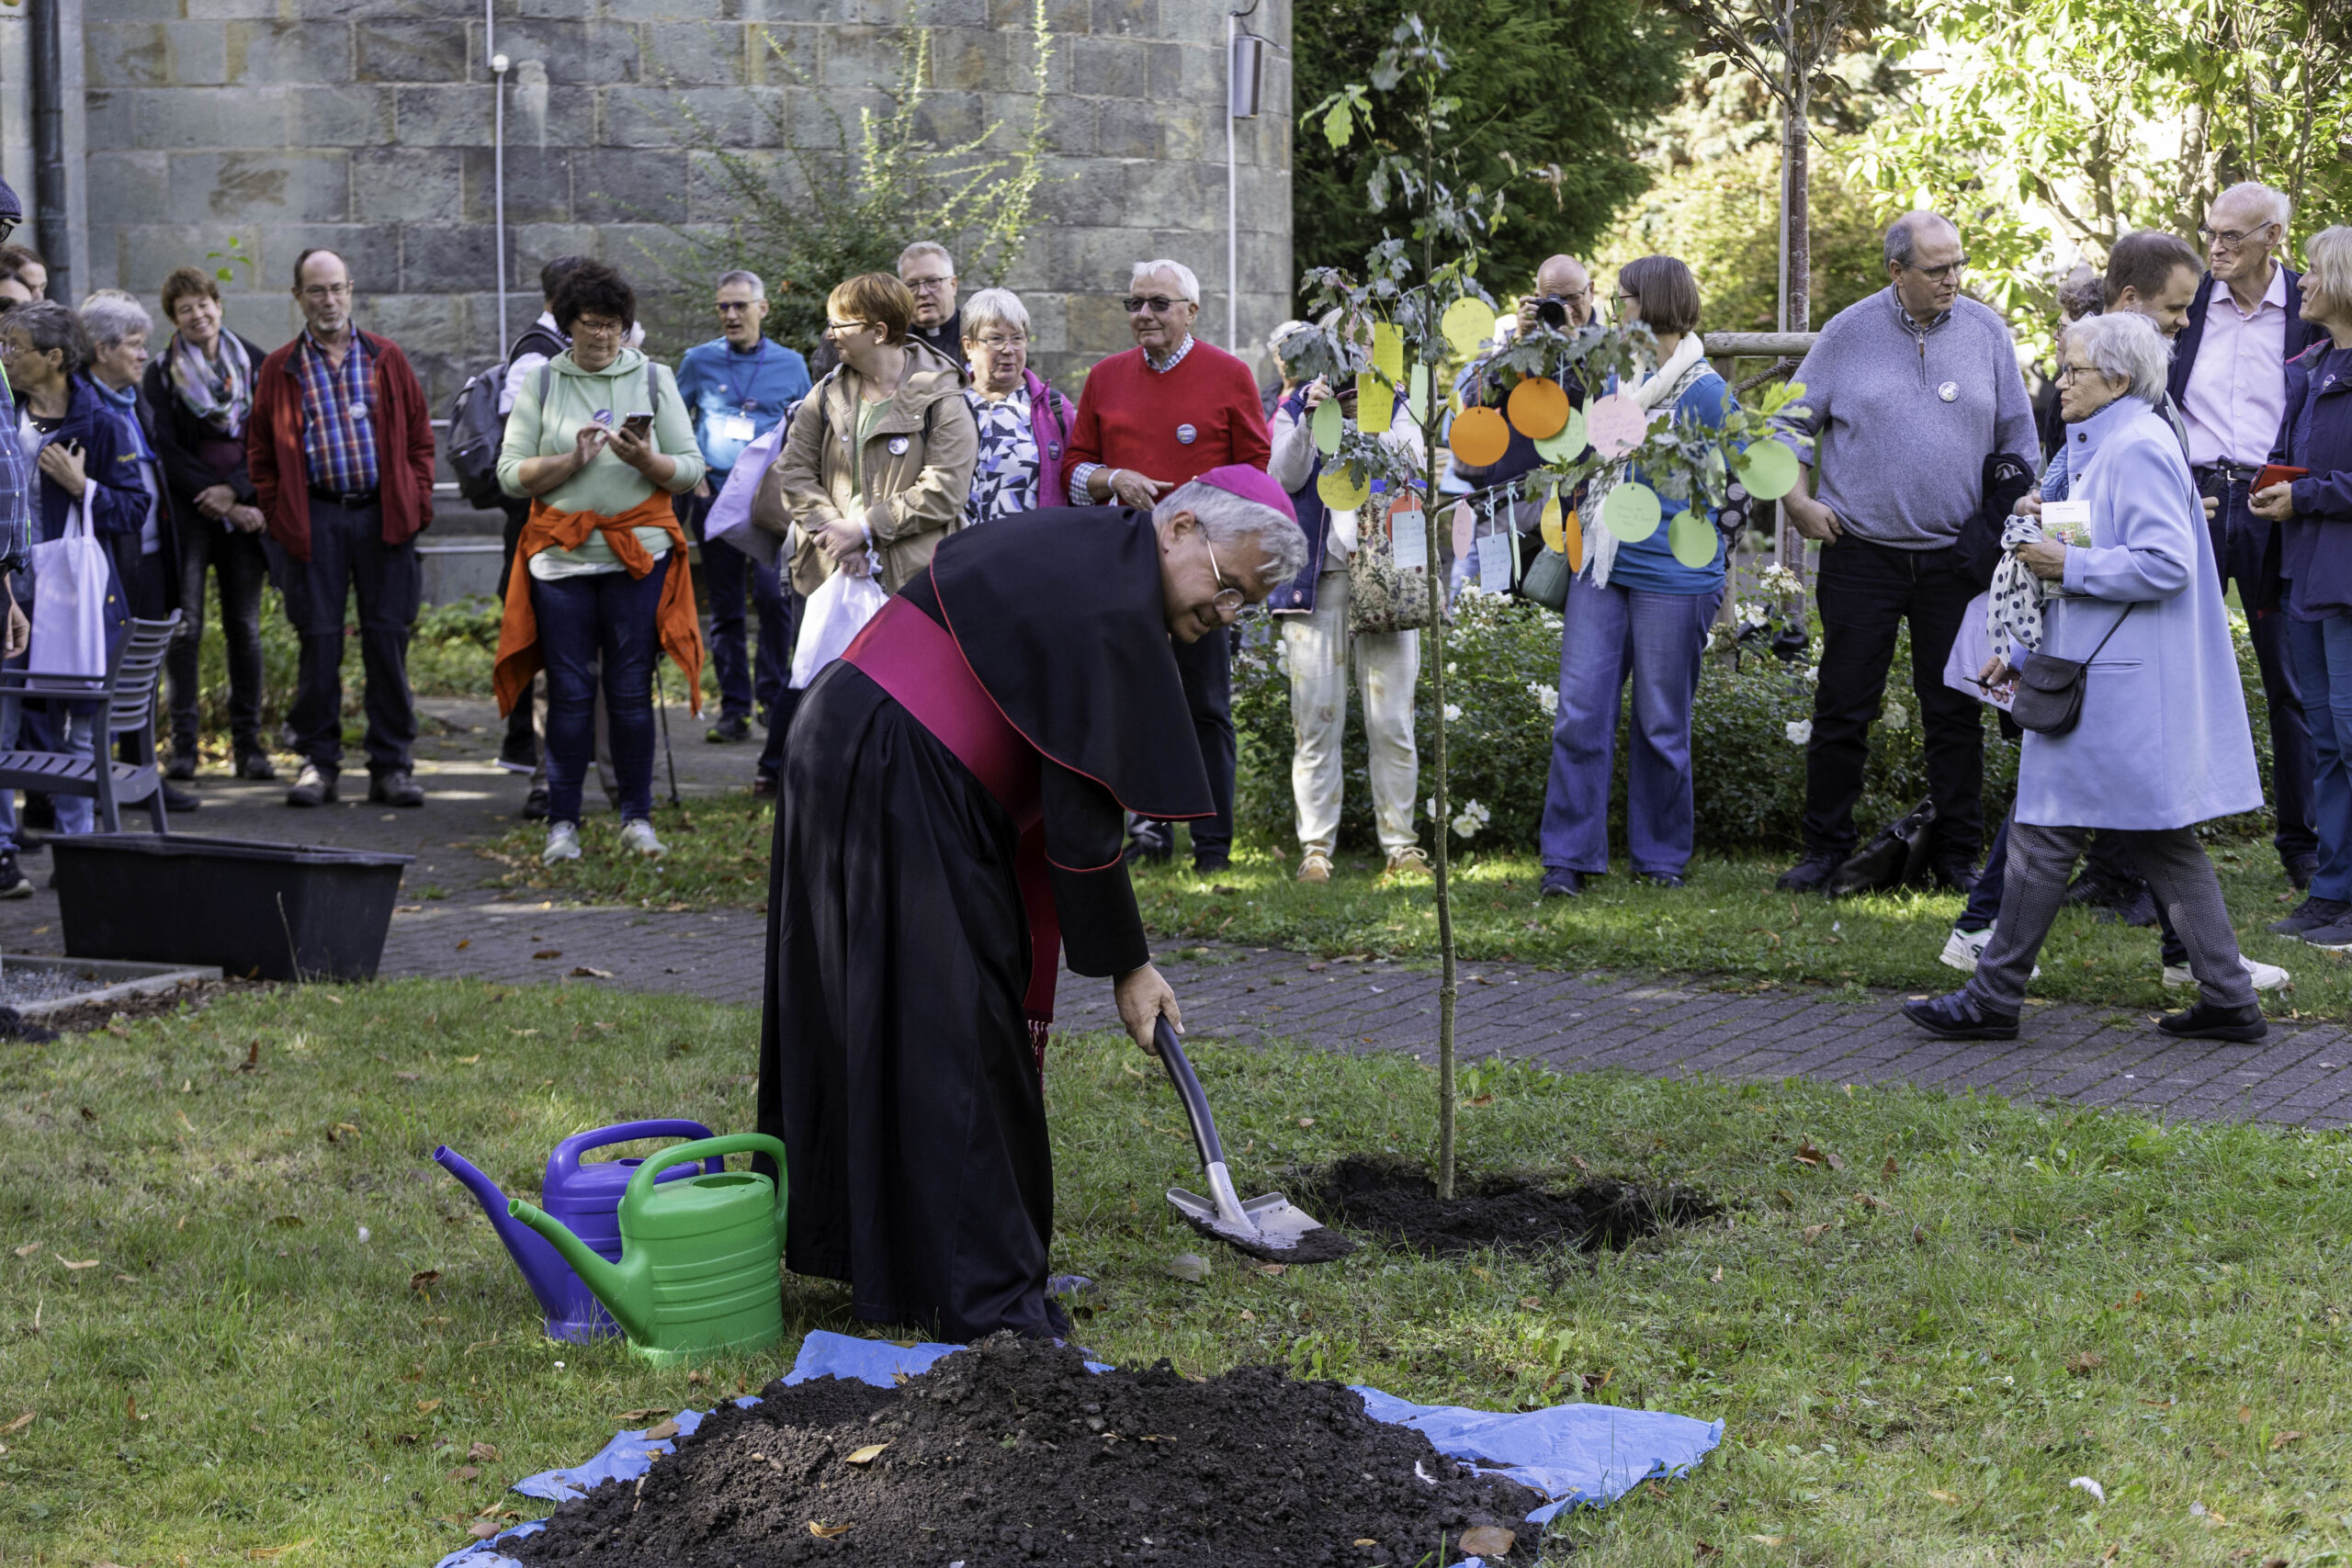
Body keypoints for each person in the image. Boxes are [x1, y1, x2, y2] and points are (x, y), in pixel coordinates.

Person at [757, 471, 1308, 1342]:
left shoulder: (1107, 564)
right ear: (1183, 528)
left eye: (1247, 603)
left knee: (918, 1019)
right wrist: (1129, 965)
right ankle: (985, 1295)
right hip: (894, 763)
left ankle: (922, 1264)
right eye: (1230, 586)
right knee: (958, 1033)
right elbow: (1085, 806)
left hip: (871, 751)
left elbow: (1069, 779)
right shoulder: (1108, 596)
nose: (1229, 613)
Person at [1939, 231, 2288, 995]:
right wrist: (2026, 647)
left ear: (2119, 377)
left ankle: (1991, 989)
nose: (2061, 384)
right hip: (2094, 679)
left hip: (2116, 690)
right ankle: (2224, 995)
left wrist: (2067, 561)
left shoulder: (2136, 446)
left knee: (2049, 833)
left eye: (2075, 372)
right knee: (2132, 839)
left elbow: (2165, 565)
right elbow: (2092, 556)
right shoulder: (2102, 441)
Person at [1772, 210, 2040, 894]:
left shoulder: (1986, 333)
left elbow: (2019, 443)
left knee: (1954, 713)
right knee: (1842, 707)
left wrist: (1999, 524)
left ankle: (1957, 857)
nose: (1953, 279)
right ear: (1897, 272)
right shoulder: (1848, 332)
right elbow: (1786, 424)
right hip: (1861, 553)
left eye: (1958, 265)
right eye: (1937, 269)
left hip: (1956, 560)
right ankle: (1823, 850)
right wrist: (1798, 502)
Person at [1542, 256, 1743, 896]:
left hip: (1673, 578)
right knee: (1579, 712)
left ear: (1650, 302)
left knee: (1661, 722)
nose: (1616, 307)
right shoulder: (1610, 374)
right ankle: (1567, 859)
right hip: (1601, 567)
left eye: (1624, 296)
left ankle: (1659, 859)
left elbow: (1740, 481)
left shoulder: (1705, 390)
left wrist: (1709, 563)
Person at [492, 262, 705, 866]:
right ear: (569, 325)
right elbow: (511, 475)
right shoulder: (542, 382)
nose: (604, 337)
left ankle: (636, 817)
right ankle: (563, 822)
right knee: (569, 689)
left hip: (638, 558)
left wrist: (649, 463)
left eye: (614, 326)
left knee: (631, 687)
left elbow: (690, 467)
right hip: (560, 561)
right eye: (591, 325)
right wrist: (570, 460)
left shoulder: (655, 379)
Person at [1065, 258, 1272, 873]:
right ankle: (1145, 834)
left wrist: (1205, 516)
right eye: (1134, 304)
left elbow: (1255, 476)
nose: (1144, 315)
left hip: (1202, 574)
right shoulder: (1104, 378)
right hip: (1123, 564)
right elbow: (1074, 466)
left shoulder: (1230, 376)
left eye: (1158, 302)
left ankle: (1213, 846)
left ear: (1191, 310)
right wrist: (1111, 477)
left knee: (1205, 706)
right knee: (1126, 702)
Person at [2172, 181, 2326, 892]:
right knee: (2168, 671)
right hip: (2196, 497)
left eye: (2233, 237)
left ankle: (2304, 843)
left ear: (2274, 237)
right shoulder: (2188, 304)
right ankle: (2156, 846)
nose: (2217, 248)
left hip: (2275, 501)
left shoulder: (2312, 309)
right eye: (2211, 233)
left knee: (2291, 682)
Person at [248, 248, 435, 809]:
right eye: (316, 291)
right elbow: (260, 452)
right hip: (316, 516)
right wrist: (282, 513)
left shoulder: (386, 357)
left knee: (387, 642)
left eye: (336, 289)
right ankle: (318, 763)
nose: (328, 301)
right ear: (298, 297)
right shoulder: (280, 367)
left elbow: (421, 439)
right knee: (319, 643)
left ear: (350, 290)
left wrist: (416, 501)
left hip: (384, 517)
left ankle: (392, 766)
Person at [1267, 327, 1426, 884]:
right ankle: (1315, 848)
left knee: (1392, 721)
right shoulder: (1294, 405)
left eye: (1362, 350)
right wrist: (1313, 418)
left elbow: (1416, 469)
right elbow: (1283, 478)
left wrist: (1377, 410)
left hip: (1385, 576)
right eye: (1341, 352)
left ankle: (1401, 846)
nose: (1351, 363)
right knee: (1316, 719)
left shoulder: (1399, 401)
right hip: (1317, 580)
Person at [2, 302, 142, 840]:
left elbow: (133, 509)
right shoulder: (5, 417)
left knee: (80, 733)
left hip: (74, 602)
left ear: (55, 357)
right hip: (11, 595)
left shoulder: (101, 425)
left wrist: (86, 490)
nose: (5, 356)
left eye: (15, 346)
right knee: (3, 729)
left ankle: (77, 847)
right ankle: (2, 849)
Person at [2253, 226, 2352, 948]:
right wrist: (2273, 486)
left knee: (2351, 738)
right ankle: (2331, 892)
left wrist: (2308, 495)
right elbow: (2295, 460)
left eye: (2313, 272)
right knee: (2325, 741)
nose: (2301, 284)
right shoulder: (2312, 366)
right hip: (2306, 578)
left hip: (2347, 584)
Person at [761, 272, 976, 602]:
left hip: (914, 586)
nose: (830, 335)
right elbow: (793, 470)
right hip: (828, 577)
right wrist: (835, 535)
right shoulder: (824, 394)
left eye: (839, 325)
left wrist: (864, 530)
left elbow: (945, 488)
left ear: (878, 332)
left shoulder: (942, 398)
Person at [145, 265, 273, 784]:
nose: (197, 315)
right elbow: (164, 449)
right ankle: (183, 748)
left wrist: (240, 491)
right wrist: (216, 497)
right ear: (173, 319)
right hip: (190, 515)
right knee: (187, 629)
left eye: (204, 304)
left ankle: (250, 747)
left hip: (246, 512)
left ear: (219, 305)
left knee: (245, 628)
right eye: (184, 309)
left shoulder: (259, 365)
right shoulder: (159, 373)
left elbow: (271, 439)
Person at [673, 269, 810, 748]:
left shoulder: (792, 364)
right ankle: (733, 708)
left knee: (775, 600)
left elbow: (807, 431)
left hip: (770, 503)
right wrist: (693, 476)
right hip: (714, 498)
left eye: (739, 306)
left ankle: (772, 700)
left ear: (762, 308)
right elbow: (674, 423)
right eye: (723, 308)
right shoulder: (698, 362)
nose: (731, 315)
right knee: (726, 607)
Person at [80, 291, 199, 817]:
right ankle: (95, 787)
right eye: (134, 345)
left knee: (141, 678)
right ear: (102, 349)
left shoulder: (134, 400)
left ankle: (140, 774)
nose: (143, 355)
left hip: (152, 556)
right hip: (112, 564)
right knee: (104, 679)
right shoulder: (83, 408)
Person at [492, 255, 589, 797]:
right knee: (542, 637)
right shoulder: (536, 356)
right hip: (539, 520)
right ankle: (535, 762)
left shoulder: (567, 347)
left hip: (567, 520)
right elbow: (517, 444)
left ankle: (540, 755)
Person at [959, 288, 1073, 526]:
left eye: (1017, 338)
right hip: (960, 553)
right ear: (969, 346)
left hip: (1029, 553)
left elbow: (1076, 485)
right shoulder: (949, 403)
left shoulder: (1053, 408)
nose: (1009, 349)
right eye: (996, 339)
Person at [899, 241, 964, 369]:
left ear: (953, 285)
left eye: (933, 281)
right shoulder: (893, 344)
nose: (922, 293)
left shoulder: (976, 338)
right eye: (911, 285)